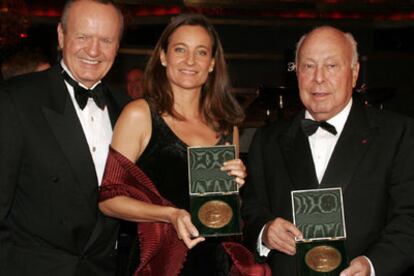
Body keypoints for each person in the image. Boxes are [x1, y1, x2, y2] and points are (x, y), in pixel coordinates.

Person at [98, 13, 269, 276]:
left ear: (212, 63)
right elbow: (109, 200)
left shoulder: (225, 126)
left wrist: (236, 184)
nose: (190, 61)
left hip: (216, 263)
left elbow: (222, 209)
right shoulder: (140, 115)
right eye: (180, 49)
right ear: (164, 57)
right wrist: (169, 215)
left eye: (201, 52)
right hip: (161, 262)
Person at [242, 26, 414, 276]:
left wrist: (372, 265)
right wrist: (265, 232)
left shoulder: (398, 134)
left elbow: (409, 221)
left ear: (354, 74)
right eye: (308, 66)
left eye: (331, 66)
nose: (318, 78)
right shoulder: (267, 140)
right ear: (297, 73)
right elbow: (251, 211)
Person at [0, 0, 128, 275]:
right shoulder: (15, 99)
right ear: (61, 35)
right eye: (83, 36)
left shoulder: (127, 110)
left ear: (117, 46)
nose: (93, 50)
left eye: (106, 40)